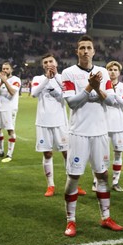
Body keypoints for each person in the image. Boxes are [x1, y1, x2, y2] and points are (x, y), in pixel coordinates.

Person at [61, 35, 123, 236]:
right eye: (82, 48)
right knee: (74, 176)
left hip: (100, 133)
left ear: (94, 51)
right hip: (79, 132)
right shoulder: (68, 73)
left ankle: (106, 217)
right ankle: (71, 221)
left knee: (102, 175)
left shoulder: (102, 72)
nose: (85, 51)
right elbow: (72, 102)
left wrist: (96, 90)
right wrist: (91, 88)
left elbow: (112, 101)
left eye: (89, 48)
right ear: (77, 51)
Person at [31, 53, 87, 197]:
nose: (48, 64)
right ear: (43, 65)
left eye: (51, 61)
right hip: (43, 122)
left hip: (60, 122)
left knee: (67, 153)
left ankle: (74, 184)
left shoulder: (63, 78)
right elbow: (34, 93)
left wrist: (54, 79)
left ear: (56, 63)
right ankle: (50, 185)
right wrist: (47, 81)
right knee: (47, 153)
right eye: (45, 62)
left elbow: (65, 97)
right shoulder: (38, 79)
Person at [105, 60, 123, 192]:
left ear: (119, 72)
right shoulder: (102, 86)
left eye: (115, 70)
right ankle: (97, 181)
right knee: (101, 156)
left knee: (118, 154)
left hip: (119, 125)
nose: (112, 72)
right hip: (103, 125)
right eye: (110, 70)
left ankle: (115, 182)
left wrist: (114, 94)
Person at [0, 61, 21, 163]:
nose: (5, 70)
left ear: (11, 69)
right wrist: (1, 82)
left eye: (7, 68)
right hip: (0, 108)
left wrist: (5, 81)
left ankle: (9, 155)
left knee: (10, 130)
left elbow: (12, 92)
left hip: (10, 109)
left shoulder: (16, 80)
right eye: (3, 69)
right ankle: (0, 151)